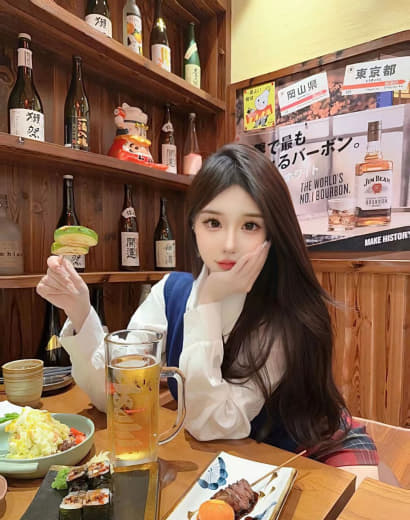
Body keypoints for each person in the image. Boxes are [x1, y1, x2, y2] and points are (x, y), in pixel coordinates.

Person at [37, 143, 378, 484]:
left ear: (272, 234)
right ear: (193, 226)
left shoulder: (281, 314)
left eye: (250, 226)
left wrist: (210, 301)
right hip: (241, 464)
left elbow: (211, 425)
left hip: (313, 449)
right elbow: (116, 398)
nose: (229, 244)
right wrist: (80, 311)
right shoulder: (171, 292)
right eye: (213, 222)